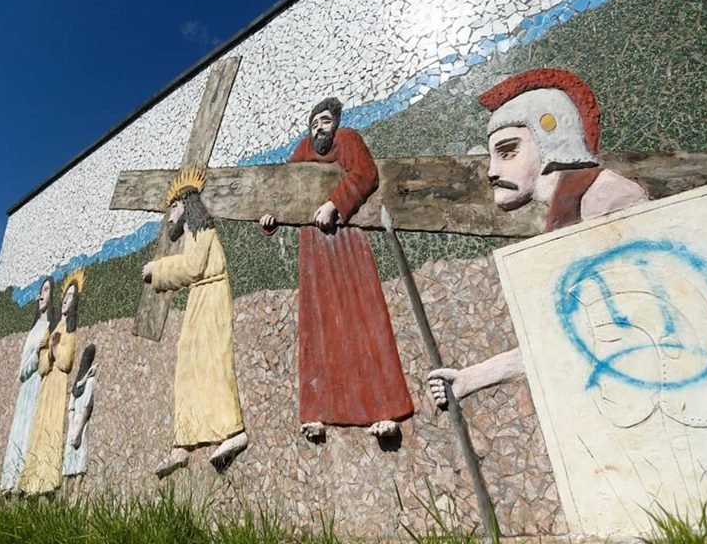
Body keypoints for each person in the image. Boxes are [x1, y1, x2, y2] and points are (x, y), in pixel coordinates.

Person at [427, 68, 648, 407]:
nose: (492, 172)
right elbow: (573, 336)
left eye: (508, 151)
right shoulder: (569, 210)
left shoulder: (606, 198)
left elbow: (626, 328)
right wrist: (471, 379)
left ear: (552, 140)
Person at [260, 97, 413, 440]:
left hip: (346, 243)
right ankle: (318, 412)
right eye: (314, 123)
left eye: (325, 121)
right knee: (318, 326)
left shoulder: (348, 140)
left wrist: (334, 202)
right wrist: (271, 220)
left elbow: (365, 173)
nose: (319, 128)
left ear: (336, 123)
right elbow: (287, 191)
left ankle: (383, 408)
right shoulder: (302, 150)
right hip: (313, 251)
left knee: (362, 317)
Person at [142, 168, 248, 477]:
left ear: (184, 205)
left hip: (212, 296)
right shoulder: (191, 234)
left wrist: (157, 270)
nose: (169, 217)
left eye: (171, 208)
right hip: (199, 299)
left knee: (214, 362)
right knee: (188, 364)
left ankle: (233, 431)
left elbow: (192, 267)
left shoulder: (204, 231)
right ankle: (184, 442)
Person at [19, 269, 83, 495]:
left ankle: (46, 481)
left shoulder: (71, 331)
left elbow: (65, 363)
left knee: (52, 430)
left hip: (58, 388)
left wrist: (55, 348)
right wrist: (48, 352)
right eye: (65, 296)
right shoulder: (53, 329)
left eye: (71, 297)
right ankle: (30, 483)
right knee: (39, 430)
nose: (66, 300)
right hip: (46, 387)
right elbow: (43, 366)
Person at [0, 276, 57, 494]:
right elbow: (23, 370)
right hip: (28, 389)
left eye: (47, 290)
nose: (41, 295)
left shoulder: (51, 326)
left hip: (41, 387)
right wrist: (35, 350)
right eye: (41, 290)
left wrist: (48, 348)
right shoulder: (35, 329)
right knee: (21, 430)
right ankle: (11, 480)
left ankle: (28, 479)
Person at [62, 343, 96, 478]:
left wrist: (74, 430)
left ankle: (73, 498)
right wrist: (76, 432)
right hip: (78, 427)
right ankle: (71, 498)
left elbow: (77, 410)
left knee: (74, 465)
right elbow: (83, 410)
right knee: (75, 466)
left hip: (76, 426)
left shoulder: (83, 382)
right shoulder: (87, 381)